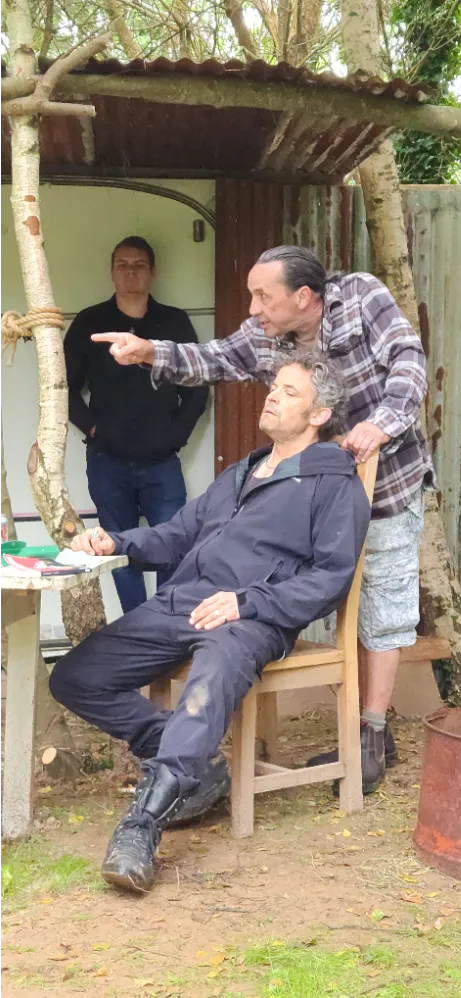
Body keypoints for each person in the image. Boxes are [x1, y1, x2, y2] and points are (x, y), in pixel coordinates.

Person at [91, 245, 434, 795]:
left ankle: (371, 734)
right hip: (310, 493)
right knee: (322, 595)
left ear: (304, 296)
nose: (252, 309)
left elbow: (409, 361)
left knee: (380, 612)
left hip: (388, 481)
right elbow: (214, 359)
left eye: (262, 296)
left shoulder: (361, 296)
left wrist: (383, 424)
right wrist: (149, 351)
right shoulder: (265, 335)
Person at [50, 353, 371, 894]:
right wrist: (116, 542)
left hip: (250, 619)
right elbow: (177, 534)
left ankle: (141, 826)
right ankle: (188, 757)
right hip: (183, 602)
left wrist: (247, 602)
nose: (272, 395)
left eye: (290, 392)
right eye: (274, 386)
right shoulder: (241, 472)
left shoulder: (335, 484)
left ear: (319, 415)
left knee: (210, 677)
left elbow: (330, 579)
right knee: (74, 676)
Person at [64, 235, 208, 613]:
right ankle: (136, 628)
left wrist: (175, 436)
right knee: (115, 550)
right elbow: (64, 388)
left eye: (139, 265)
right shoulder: (90, 323)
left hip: (162, 461)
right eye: (123, 266)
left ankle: (165, 628)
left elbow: (196, 387)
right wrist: (92, 429)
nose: (131, 273)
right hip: (107, 459)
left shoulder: (173, 322)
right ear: (112, 272)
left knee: (174, 546)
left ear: (153, 273)